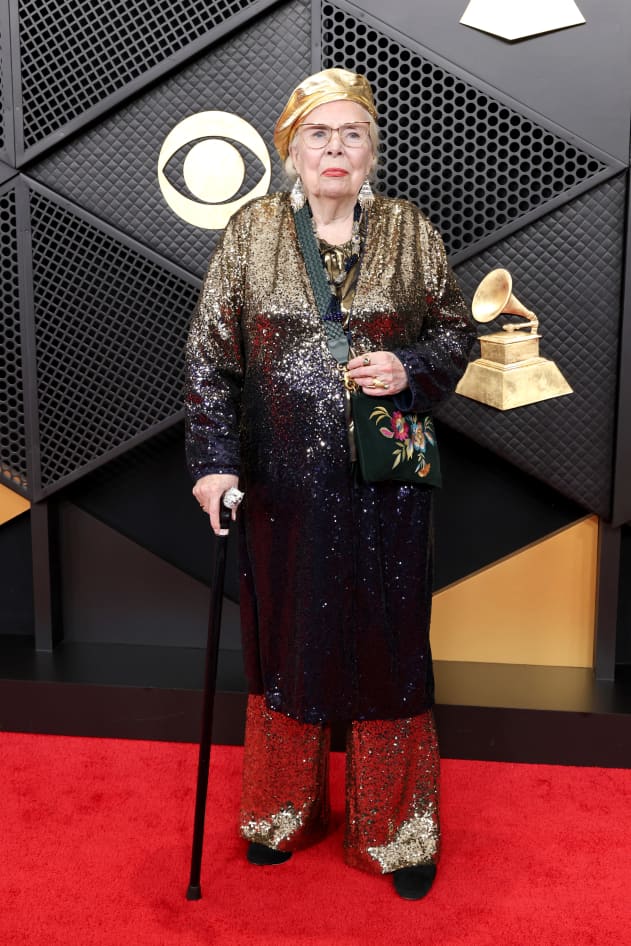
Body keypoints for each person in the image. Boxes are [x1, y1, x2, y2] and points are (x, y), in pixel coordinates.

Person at [185, 68, 475, 901]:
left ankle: (396, 831)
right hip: (283, 488)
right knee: (287, 645)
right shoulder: (250, 233)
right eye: (318, 134)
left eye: (351, 133)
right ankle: (282, 812)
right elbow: (210, 360)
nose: (335, 148)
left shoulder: (409, 231)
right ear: (291, 150)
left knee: (388, 651)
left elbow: (456, 333)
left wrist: (410, 364)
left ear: (371, 149)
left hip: (386, 490)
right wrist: (213, 465)